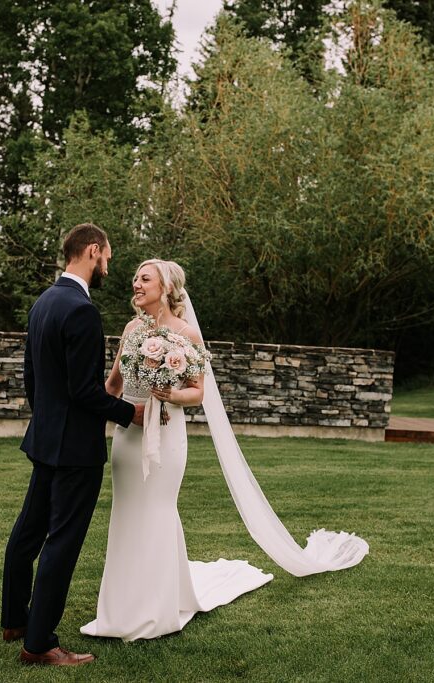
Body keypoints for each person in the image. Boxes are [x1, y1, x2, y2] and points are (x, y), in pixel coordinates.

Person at [81, 259, 273, 640]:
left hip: (166, 437)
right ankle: (119, 610)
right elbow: (114, 385)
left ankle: (157, 608)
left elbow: (198, 391)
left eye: (144, 278)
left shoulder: (186, 333)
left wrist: (170, 394)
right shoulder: (132, 329)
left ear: (166, 288)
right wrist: (87, 418)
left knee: (157, 511)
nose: (135, 283)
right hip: (128, 438)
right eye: (135, 278)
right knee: (126, 514)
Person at [1, 223, 145, 667]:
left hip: (45, 440)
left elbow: (33, 379)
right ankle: (40, 643)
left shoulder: (44, 302)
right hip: (76, 451)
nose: (108, 267)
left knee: (27, 534)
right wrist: (130, 414)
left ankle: (15, 621)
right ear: (93, 251)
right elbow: (86, 391)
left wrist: (47, 421)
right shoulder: (81, 310)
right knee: (61, 541)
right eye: (107, 258)